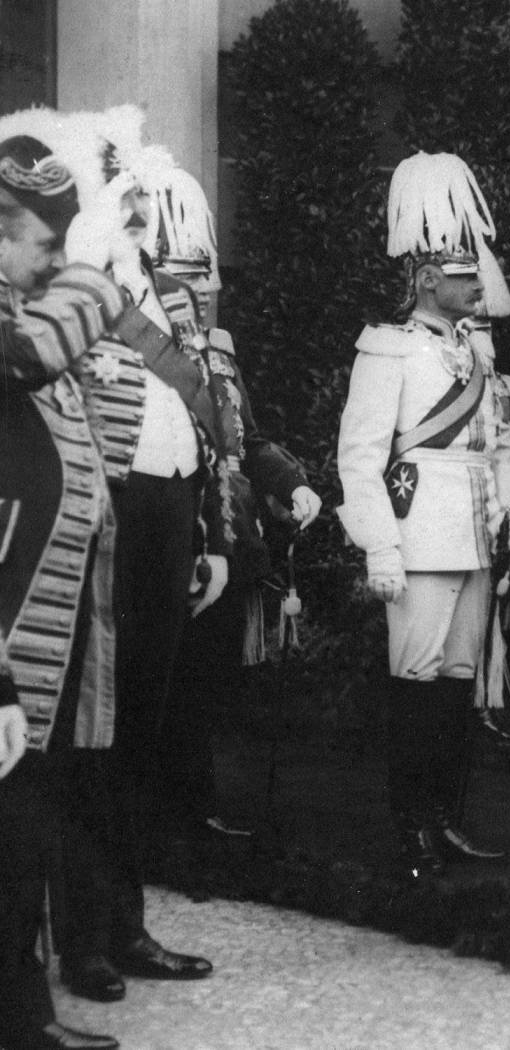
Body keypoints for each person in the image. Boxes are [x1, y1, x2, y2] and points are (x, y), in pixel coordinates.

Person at [1, 106, 219, 1006]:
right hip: (87, 541)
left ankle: (119, 921)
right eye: (128, 205)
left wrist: (209, 534)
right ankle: (82, 939)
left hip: (150, 524)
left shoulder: (153, 298)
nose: (144, 220)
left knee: (133, 742)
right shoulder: (70, 295)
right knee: (73, 754)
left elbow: (202, 428)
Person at [337, 151, 510, 878]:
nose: (477, 285)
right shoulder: (387, 347)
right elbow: (359, 457)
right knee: (415, 685)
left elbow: (500, 442)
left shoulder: (477, 351)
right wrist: (378, 548)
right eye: (462, 275)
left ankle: (447, 818)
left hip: (476, 533)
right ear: (426, 279)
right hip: (419, 535)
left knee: (457, 687)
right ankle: (409, 827)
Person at [114, 149, 320, 839]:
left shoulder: (221, 351)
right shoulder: (136, 344)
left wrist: (291, 482)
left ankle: (192, 806)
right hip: (164, 526)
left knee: (203, 681)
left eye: (208, 275)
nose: (202, 289)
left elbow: (245, 438)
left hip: (227, 532)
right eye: (188, 274)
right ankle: (157, 814)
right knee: (157, 681)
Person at [0, 123, 139, 1050]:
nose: (52, 265)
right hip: (6, 638)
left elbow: (108, 455)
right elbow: (32, 357)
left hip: (40, 640)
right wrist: (97, 275)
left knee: (19, 838)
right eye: (42, 245)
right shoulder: (22, 332)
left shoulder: (32, 322)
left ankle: (22, 1018)